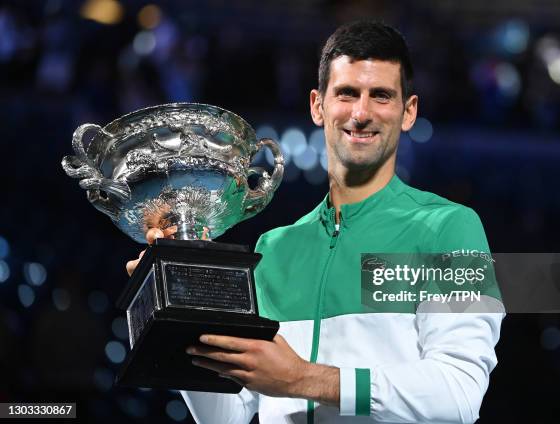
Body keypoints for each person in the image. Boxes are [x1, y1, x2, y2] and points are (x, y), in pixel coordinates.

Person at [127, 20, 504, 424]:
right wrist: (182, 293)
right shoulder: (273, 250)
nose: (361, 113)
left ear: (408, 111)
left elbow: (459, 393)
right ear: (317, 106)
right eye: (346, 93)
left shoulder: (451, 228)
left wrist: (303, 379)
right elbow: (226, 416)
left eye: (380, 95)